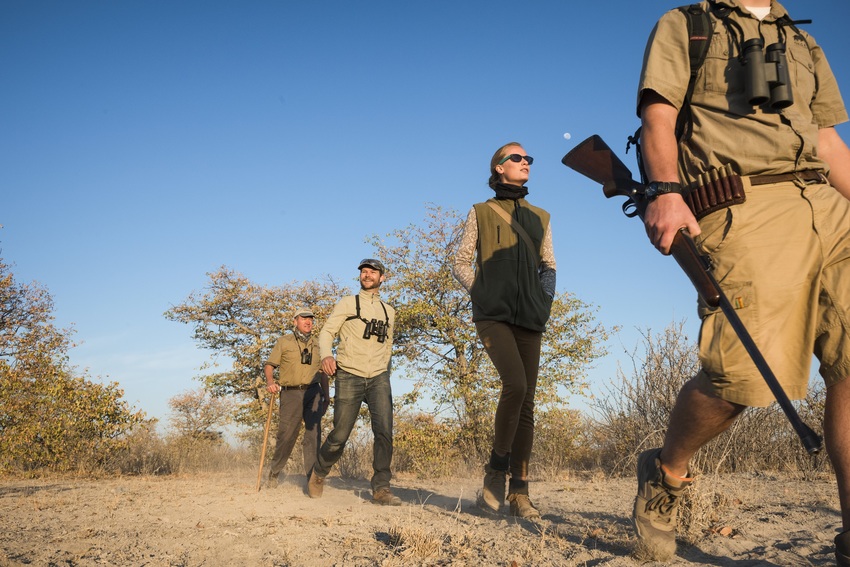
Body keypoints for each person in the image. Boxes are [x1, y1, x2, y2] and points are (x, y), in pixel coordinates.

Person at [634, 0, 850, 562]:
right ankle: (666, 472)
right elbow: (658, 116)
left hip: (828, 202)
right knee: (741, 380)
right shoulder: (686, 24)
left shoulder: (802, 41)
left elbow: (827, 142)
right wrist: (664, 192)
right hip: (746, 204)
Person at [451, 142, 557, 519]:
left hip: (531, 316)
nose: (525, 162)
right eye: (516, 158)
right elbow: (460, 261)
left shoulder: (541, 216)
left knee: (527, 402)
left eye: (529, 158)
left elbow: (549, 265)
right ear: (498, 168)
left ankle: (520, 492)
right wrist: (483, 293)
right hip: (493, 316)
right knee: (515, 385)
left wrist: (544, 301)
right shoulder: (480, 212)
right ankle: (495, 471)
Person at [306, 259, 401, 506]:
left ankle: (381, 488)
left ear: (382, 278)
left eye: (373, 272)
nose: (367, 275)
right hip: (350, 373)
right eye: (364, 272)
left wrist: (386, 372)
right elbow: (327, 331)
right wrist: (327, 354)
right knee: (340, 434)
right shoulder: (348, 303)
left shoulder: (389, 311)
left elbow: (388, 345)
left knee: (384, 432)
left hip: (379, 376)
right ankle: (319, 472)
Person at [263, 307, 329, 486]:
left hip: (314, 392)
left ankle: (312, 480)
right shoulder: (284, 341)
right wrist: (270, 382)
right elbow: (269, 365)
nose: (308, 322)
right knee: (287, 435)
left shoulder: (318, 343)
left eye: (311, 319)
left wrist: (327, 397)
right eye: (303, 318)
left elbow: (324, 372)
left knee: (313, 435)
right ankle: (275, 472)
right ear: (295, 321)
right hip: (290, 392)